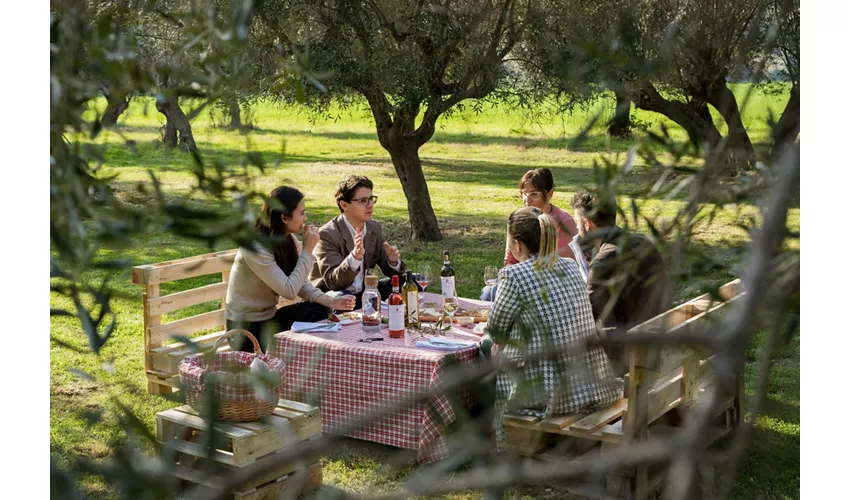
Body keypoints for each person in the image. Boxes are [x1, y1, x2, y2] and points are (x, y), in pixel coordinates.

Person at [485, 206, 621, 450]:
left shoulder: (514, 275)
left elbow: (495, 329)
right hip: (587, 382)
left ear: (517, 244)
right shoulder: (569, 266)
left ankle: (494, 434)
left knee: (487, 348)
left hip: (547, 392)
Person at [224, 186, 356, 352]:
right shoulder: (256, 247)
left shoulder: (289, 241)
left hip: (269, 319)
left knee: (318, 308)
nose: (305, 218)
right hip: (245, 330)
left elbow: (301, 284)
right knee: (313, 313)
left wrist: (330, 301)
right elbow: (289, 291)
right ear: (285, 218)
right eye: (301, 213)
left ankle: (326, 359)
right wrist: (307, 251)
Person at [569, 189, 669, 374]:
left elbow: (586, 314)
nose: (577, 229)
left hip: (627, 360)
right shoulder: (644, 243)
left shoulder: (603, 261)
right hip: (658, 341)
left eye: (577, 223)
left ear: (587, 224)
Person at [311, 175, 415, 307]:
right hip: (335, 296)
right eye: (363, 201)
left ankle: (409, 316)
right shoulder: (327, 234)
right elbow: (334, 283)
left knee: (412, 281)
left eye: (371, 199)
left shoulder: (374, 227)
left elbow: (389, 270)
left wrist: (392, 261)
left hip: (366, 292)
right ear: (344, 205)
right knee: (343, 299)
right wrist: (354, 257)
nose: (370, 205)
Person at [480, 168, 578, 301]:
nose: (527, 199)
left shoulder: (563, 222)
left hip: (550, 283)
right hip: (520, 277)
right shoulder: (517, 219)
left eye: (534, 194)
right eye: (524, 193)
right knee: (488, 292)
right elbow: (509, 261)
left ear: (550, 194)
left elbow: (563, 267)